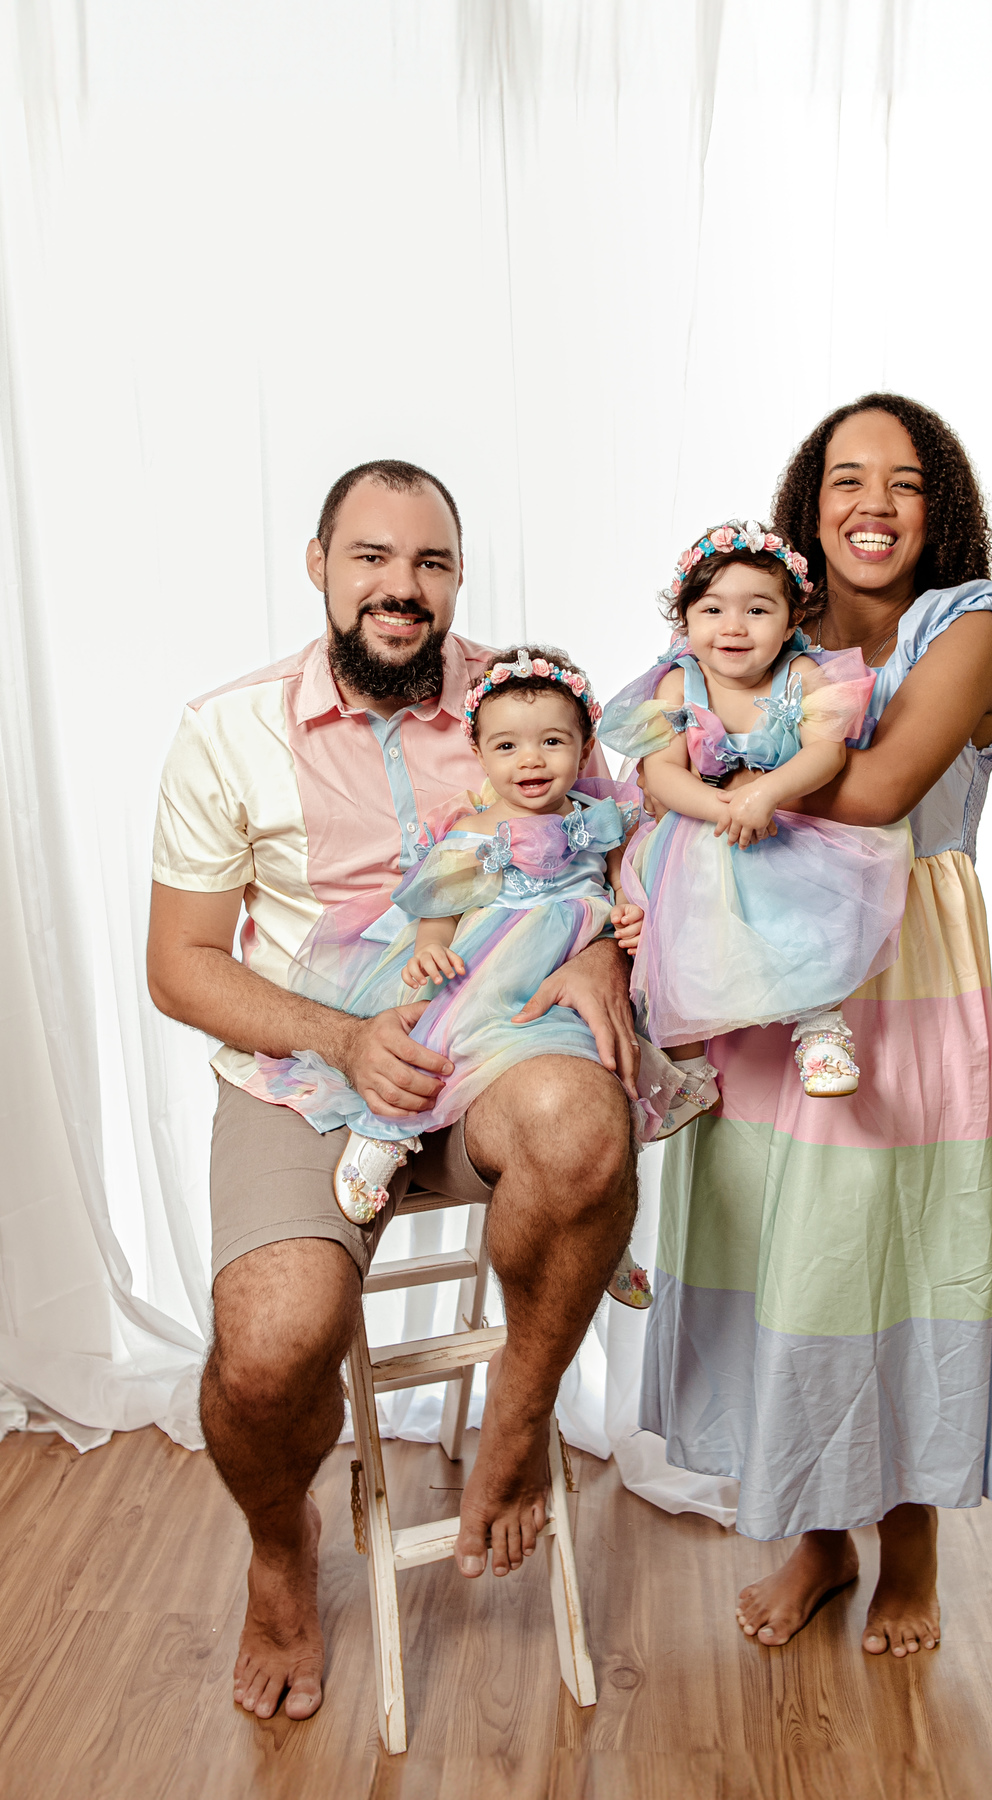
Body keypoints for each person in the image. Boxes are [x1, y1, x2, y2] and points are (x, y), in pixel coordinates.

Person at [146, 461, 645, 1723]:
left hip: (488, 1046)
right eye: (370, 557)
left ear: (458, 577)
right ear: (318, 564)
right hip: (311, 1069)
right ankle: (278, 1545)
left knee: (584, 1128)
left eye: (429, 562)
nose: (400, 588)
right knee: (267, 1351)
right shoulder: (230, 727)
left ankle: (517, 1435)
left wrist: (590, 945)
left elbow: (622, 853)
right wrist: (347, 1033)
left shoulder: (529, 700)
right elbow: (181, 966)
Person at [638, 396, 992, 1657]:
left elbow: (869, 789)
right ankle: (817, 1537)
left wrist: (714, 783)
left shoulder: (964, 629)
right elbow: (642, 736)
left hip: (900, 963)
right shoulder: (768, 623)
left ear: (942, 509)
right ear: (808, 506)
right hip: (760, 962)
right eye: (847, 479)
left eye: (906, 482)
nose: (875, 503)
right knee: (786, 1249)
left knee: (896, 1247)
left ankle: (908, 1546)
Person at [257, 642, 697, 1307]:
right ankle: (382, 1138)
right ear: (482, 753)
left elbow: (621, 884)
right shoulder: (477, 829)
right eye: (509, 747)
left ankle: (606, 1236)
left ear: (582, 750)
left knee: (604, 1087)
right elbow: (438, 904)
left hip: (571, 983)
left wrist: (626, 923)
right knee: (434, 1046)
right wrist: (430, 947)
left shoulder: (596, 817)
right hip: (495, 967)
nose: (531, 761)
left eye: (552, 742)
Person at [599, 519, 912, 1097]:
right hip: (702, 828)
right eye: (712, 611)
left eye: (758, 611)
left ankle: (820, 1021)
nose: (733, 628)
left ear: (792, 619)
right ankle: (687, 1062)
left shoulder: (803, 673)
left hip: (784, 823)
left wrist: (764, 794)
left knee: (812, 913)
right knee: (677, 935)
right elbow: (662, 773)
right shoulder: (678, 685)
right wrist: (723, 807)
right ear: (685, 620)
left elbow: (827, 754)